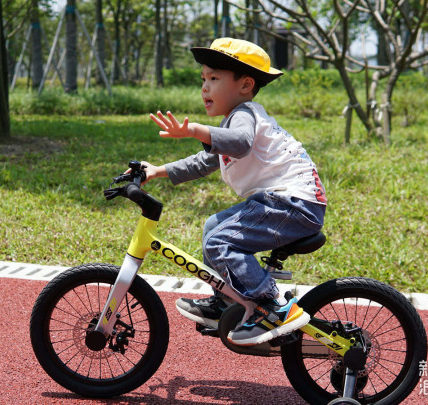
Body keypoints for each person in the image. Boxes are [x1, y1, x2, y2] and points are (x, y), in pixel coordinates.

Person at [140, 38, 327, 347]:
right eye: (203, 79)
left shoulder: (245, 116)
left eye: (214, 78)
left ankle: (272, 307)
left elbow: (239, 142)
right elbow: (203, 162)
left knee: (219, 240)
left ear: (245, 84)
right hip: (285, 202)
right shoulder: (233, 124)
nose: (204, 88)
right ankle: (226, 302)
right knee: (214, 227)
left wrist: (194, 129)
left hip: (293, 204)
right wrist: (157, 171)